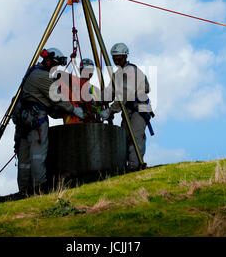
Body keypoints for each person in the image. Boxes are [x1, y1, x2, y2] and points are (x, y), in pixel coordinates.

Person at [14, 47, 84, 195]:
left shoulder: (31, 73)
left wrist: (57, 113)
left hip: (24, 121)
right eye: (55, 65)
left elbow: (44, 101)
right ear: (48, 60)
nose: (55, 68)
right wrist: (73, 109)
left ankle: (23, 192)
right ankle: (40, 189)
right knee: (38, 155)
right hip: (37, 120)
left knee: (24, 161)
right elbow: (57, 98)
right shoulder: (42, 76)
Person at [100, 43, 154, 171]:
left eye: (119, 59)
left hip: (139, 108)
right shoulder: (117, 75)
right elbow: (109, 93)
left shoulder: (131, 71)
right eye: (114, 59)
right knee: (124, 138)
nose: (116, 61)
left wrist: (110, 110)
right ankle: (126, 166)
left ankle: (135, 167)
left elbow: (124, 94)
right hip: (128, 109)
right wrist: (95, 98)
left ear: (125, 56)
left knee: (135, 138)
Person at [63, 58, 102, 124]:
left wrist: (98, 113)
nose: (89, 72)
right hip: (72, 122)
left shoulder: (94, 89)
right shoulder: (73, 83)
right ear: (81, 70)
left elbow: (99, 107)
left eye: (91, 70)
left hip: (90, 123)